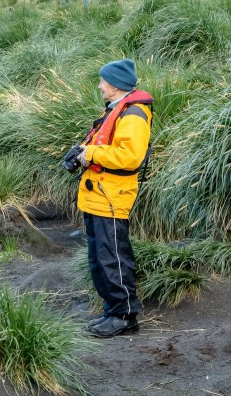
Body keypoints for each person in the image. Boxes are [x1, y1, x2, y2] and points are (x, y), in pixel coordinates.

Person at [76, 59, 153, 338]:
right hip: (99, 194)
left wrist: (92, 154)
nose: (100, 86)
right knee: (100, 258)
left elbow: (130, 157)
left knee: (113, 258)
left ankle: (125, 316)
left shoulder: (133, 114)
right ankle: (112, 310)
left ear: (116, 85)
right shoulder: (116, 109)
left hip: (112, 196)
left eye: (103, 81)